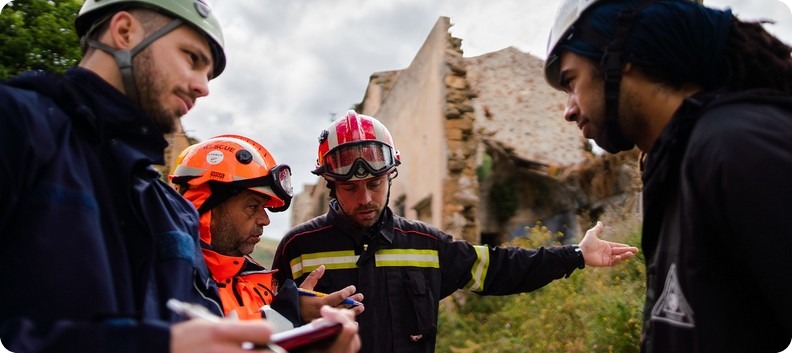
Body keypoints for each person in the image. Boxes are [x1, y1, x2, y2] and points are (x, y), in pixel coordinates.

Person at [0, 0, 359, 352]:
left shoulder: (171, 211)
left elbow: (198, 337)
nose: (204, 86)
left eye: (209, 73)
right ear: (124, 31)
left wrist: (294, 332)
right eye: (192, 58)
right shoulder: (17, 124)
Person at [272, 110, 639, 353]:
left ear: (390, 176)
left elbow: (500, 267)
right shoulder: (298, 246)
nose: (365, 198)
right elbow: (254, 315)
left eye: (376, 183)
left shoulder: (427, 245)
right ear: (331, 186)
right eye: (351, 188)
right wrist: (292, 304)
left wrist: (575, 254)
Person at [543, 0, 792, 352]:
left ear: (622, 59)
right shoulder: (678, 164)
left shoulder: (735, 147)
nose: (568, 111)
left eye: (571, 81)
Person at [170, 134, 364, 325]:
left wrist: (303, 322)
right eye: (253, 206)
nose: (265, 220)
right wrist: (290, 313)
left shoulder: (258, 286)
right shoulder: (169, 279)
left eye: (264, 208)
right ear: (205, 208)